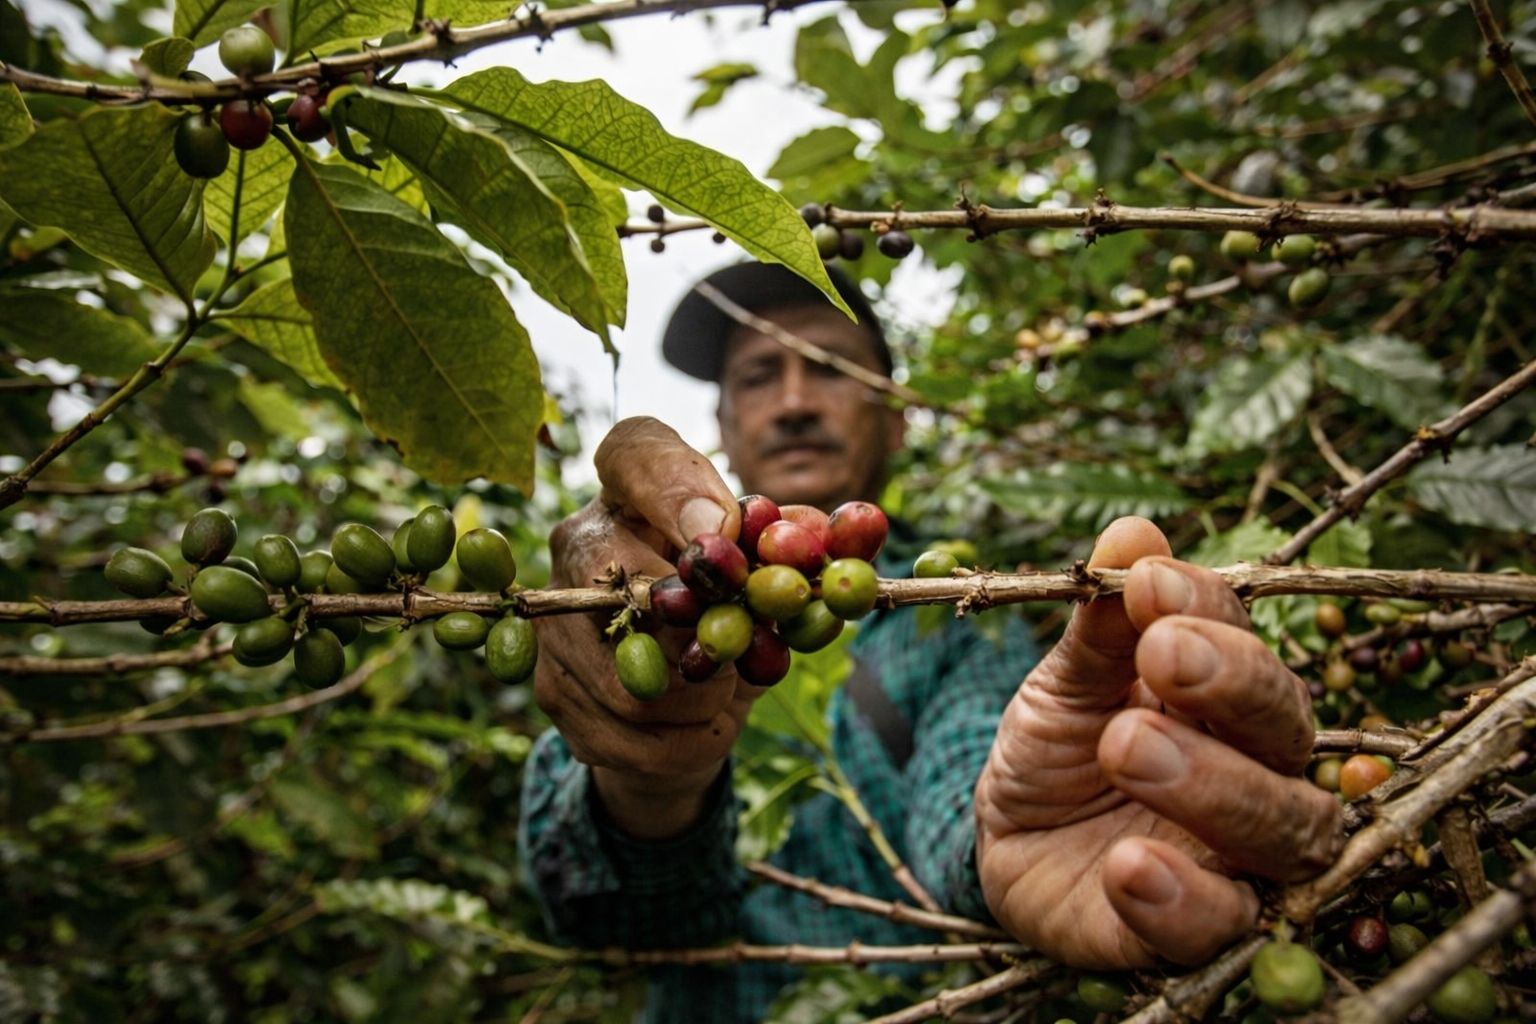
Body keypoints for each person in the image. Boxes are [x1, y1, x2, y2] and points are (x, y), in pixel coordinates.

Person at [519, 263, 1341, 1020]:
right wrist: (650, 787)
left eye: (830, 368)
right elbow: (602, 920)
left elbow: (970, 780)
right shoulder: (653, 600)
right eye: (759, 376)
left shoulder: (957, 613)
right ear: (723, 429)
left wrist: (1009, 840)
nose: (795, 401)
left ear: (896, 421)